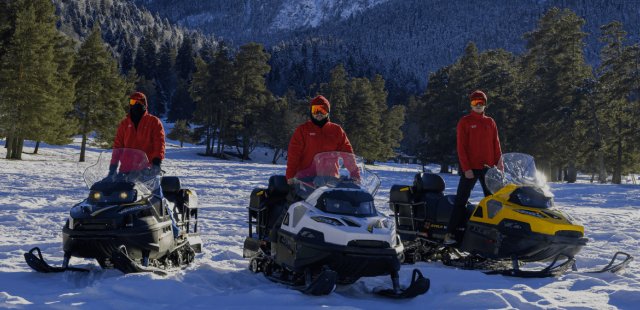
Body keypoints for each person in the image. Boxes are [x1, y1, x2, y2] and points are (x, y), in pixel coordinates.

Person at [108, 92, 178, 238]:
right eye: (131, 102)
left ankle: (174, 231)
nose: (134, 105)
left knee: (156, 199)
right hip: (126, 171)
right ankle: (116, 232)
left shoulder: (153, 122)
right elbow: (117, 146)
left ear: (144, 104)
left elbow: (159, 143)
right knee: (117, 200)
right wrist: (112, 168)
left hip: (147, 170)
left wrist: (156, 162)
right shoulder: (124, 123)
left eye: (137, 102)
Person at [445, 90, 502, 245]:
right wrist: (466, 168)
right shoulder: (465, 121)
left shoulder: (490, 122)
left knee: (493, 202)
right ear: (471, 104)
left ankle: (493, 235)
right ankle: (450, 233)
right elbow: (461, 147)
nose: (478, 106)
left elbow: (496, 145)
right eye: (475, 103)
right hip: (470, 168)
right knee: (461, 201)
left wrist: (499, 164)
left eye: (481, 103)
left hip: (489, 170)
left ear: (485, 105)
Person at [285, 95, 358, 185]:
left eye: (323, 110)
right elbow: (293, 155)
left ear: (328, 112)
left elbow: (348, 154)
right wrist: (290, 175)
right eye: (315, 110)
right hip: (306, 180)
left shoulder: (336, 130)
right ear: (311, 112)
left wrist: (355, 174)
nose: (319, 113)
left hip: (330, 180)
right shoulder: (303, 130)